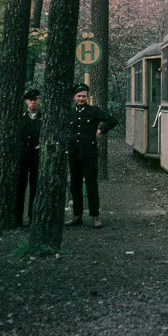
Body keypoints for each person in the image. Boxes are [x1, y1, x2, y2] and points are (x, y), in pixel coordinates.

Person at [65, 83, 118, 228]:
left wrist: (101, 131)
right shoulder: (69, 112)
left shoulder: (93, 111)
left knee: (91, 185)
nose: (81, 99)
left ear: (87, 97)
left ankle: (95, 216)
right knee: (75, 186)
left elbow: (113, 120)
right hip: (74, 154)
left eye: (84, 96)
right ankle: (77, 216)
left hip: (89, 154)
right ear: (74, 97)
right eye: (79, 96)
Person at [16, 88, 41, 226]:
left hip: (37, 157)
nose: (33, 102)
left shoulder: (43, 118)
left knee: (35, 186)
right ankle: (18, 217)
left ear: (38, 101)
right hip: (23, 157)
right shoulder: (21, 118)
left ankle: (32, 217)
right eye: (30, 100)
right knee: (20, 186)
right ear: (26, 101)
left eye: (35, 100)